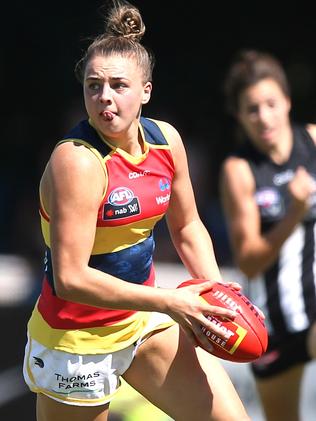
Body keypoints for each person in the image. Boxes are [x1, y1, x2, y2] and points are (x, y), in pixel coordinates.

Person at [22, 1, 251, 420]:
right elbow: (70, 278)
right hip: (77, 340)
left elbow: (187, 227)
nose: (104, 97)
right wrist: (171, 302)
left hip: (142, 320)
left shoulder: (165, 141)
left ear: (146, 90)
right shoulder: (77, 161)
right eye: (93, 85)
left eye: (118, 85)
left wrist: (219, 296)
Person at [220, 49, 316, 421]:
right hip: (273, 323)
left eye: (271, 104)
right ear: (239, 116)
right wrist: (294, 212)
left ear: (288, 101)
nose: (264, 117)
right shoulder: (239, 170)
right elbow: (248, 259)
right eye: (252, 108)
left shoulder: (311, 141)